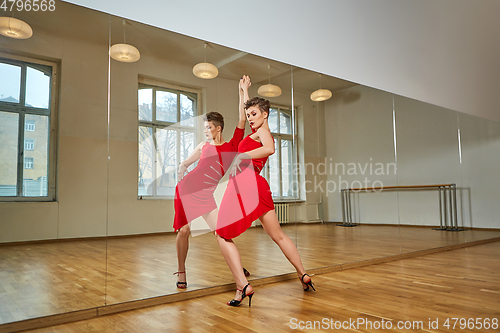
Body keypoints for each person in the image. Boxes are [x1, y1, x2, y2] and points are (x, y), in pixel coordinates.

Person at [215, 77, 315, 307]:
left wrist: (242, 156)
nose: (249, 118)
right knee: (278, 235)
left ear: (265, 114)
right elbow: (243, 113)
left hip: (244, 184)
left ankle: (243, 285)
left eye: (254, 114)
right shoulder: (255, 129)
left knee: (222, 235)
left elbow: (270, 148)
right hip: (258, 186)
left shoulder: (264, 131)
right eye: (249, 114)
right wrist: (244, 91)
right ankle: (303, 275)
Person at [173, 78, 250, 288]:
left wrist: (243, 91)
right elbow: (186, 163)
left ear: (218, 128)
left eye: (208, 127)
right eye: (204, 127)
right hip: (187, 190)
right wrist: (181, 168)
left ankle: (237, 268)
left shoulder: (232, 146)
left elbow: (243, 118)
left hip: (205, 195)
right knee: (184, 231)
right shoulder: (203, 145)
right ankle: (181, 271)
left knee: (221, 232)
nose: (205, 130)